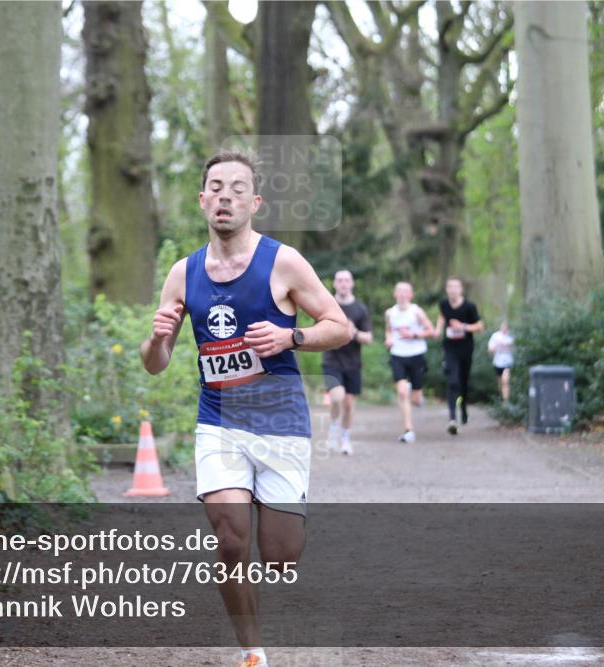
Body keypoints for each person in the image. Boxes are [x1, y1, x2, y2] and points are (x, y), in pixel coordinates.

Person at [140, 149, 350, 667]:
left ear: (254, 202)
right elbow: (156, 363)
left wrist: (289, 336)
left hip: (280, 423)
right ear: (202, 200)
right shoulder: (183, 273)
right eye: (215, 187)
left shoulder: (283, 262)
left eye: (237, 188)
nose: (224, 197)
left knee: (278, 558)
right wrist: (156, 339)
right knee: (232, 539)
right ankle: (253, 652)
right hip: (220, 422)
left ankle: (273, 505)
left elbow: (339, 325)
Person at [322, 269, 373, 455]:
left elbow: (369, 338)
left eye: (346, 280)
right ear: (334, 284)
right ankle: (333, 427)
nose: (343, 284)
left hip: (352, 363)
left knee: (349, 404)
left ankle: (345, 438)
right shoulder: (328, 305)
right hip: (331, 360)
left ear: (352, 284)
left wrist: (354, 332)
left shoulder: (360, 309)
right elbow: (318, 330)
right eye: (339, 280)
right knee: (337, 397)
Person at [385, 282, 437, 443]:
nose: (401, 294)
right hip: (398, 355)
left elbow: (432, 331)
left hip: (416, 355)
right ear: (394, 294)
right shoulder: (390, 313)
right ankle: (409, 430)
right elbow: (388, 330)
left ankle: (417, 395)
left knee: (415, 398)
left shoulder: (416, 311)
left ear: (411, 295)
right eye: (399, 291)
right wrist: (388, 340)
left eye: (405, 291)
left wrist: (413, 335)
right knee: (401, 392)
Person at [435, 277, 483, 435]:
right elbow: (442, 317)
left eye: (456, 287)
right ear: (447, 289)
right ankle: (452, 419)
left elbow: (480, 326)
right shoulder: (443, 304)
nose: (453, 289)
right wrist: (437, 330)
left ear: (460, 289)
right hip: (449, 349)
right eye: (450, 286)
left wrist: (463, 326)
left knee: (463, 382)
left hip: (466, 349)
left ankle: (463, 408)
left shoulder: (469, 306)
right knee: (452, 381)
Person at [488, 321, 515, 402]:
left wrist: (507, 345)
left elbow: (514, 347)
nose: (504, 329)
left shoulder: (511, 336)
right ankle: (502, 398)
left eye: (506, 327)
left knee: (505, 380)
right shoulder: (495, 336)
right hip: (497, 362)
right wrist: (497, 345)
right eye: (503, 327)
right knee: (500, 382)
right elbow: (490, 349)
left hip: (507, 362)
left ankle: (506, 401)